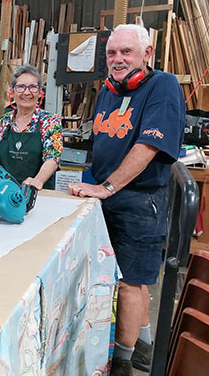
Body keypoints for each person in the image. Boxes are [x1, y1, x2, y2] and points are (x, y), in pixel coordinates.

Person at [67, 24, 185, 376]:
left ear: (147, 54)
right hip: (111, 194)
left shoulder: (162, 87)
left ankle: (122, 363)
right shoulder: (108, 91)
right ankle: (144, 347)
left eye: (126, 52)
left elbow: (148, 146)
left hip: (138, 198)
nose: (117, 59)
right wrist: (99, 187)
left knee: (130, 282)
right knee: (132, 279)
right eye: (111, 53)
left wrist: (108, 187)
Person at [0, 65, 62, 190]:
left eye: (33, 87)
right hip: (5, 192)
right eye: (20, 87)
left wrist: (37, 181)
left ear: (40, 92)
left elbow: (53, 158)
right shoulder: (3, 122)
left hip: (37, 193)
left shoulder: (49, 121)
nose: (27, 92)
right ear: (12, 91)